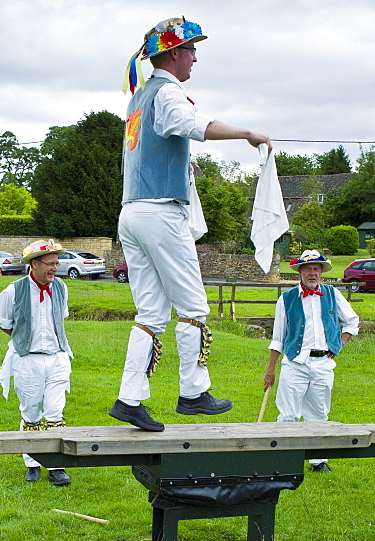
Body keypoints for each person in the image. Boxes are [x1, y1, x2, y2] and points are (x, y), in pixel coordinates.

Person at [109, 16, 273, 432]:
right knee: (195, 307)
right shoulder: (167, 93)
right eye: (192, 49)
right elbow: (194, 125)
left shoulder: (138, 99)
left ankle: (130, 399)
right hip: (161, 212)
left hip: (132, 211)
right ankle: (193, 393)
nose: (196, 57)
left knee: (149, 312)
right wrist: (247, 133)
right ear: (173, 53)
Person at [263, 250, 359, 472]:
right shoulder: (286, 299)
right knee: (288, 413)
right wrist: (270, 370)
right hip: (295, 363)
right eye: (308, 268)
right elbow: (278, 338)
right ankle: (283, 459)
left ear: (322, 272)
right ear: (300, 272)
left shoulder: (332, 294)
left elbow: (352, 321)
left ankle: (318, 461)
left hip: (323, 364)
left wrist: (339, 343)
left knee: (319, 412)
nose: (313, 272)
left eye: (316, 268)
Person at [0, 239, 72, 487]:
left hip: (58, 358)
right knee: (30, 413)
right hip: (27, 360)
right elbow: (4, 324)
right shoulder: (12, 291)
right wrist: (26, 341)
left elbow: (62, 318)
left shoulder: (61, 287)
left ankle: (56, 465)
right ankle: (31, 462)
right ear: (35, 264)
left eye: (56, 263)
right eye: (50, 264)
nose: (55, 268)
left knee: (55, 412)